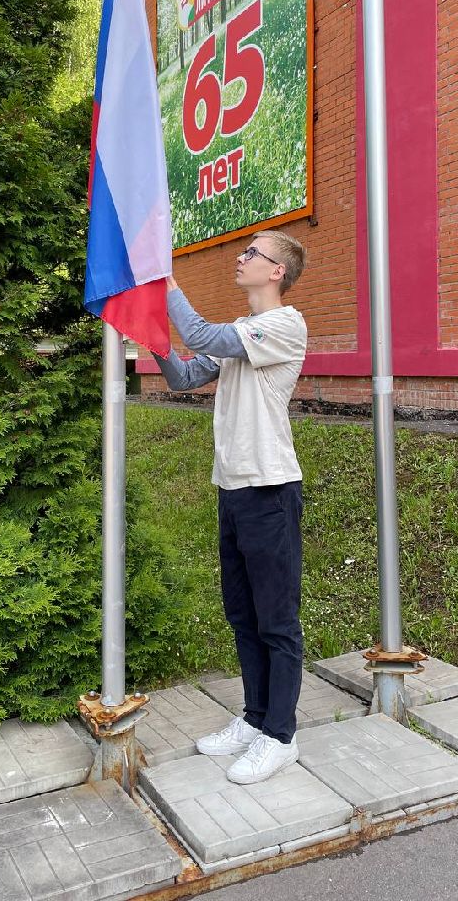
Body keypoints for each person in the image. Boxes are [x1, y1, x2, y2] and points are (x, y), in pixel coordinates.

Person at [153, 229, 308, 785]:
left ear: (276, 271)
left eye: (252, 253)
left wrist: (165, 285)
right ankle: (255, 718)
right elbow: (182, 376)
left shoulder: (284, 325)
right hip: (234, 489)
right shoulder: (242, 335)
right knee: (243, 616)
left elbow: (199, 333)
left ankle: (281, 736)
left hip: (270, 490)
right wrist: (151, 332)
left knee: (277, 620)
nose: (240, 259)